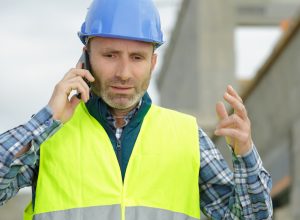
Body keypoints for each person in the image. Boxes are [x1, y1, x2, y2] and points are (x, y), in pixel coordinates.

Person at [0, 0, 272, 219]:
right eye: (110, 55)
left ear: (153, 63)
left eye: (137, 58)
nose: (124, 73)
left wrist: (245, 155)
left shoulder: (187, 135)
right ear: (85, 57)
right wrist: (47, 118)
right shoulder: (47, 136)